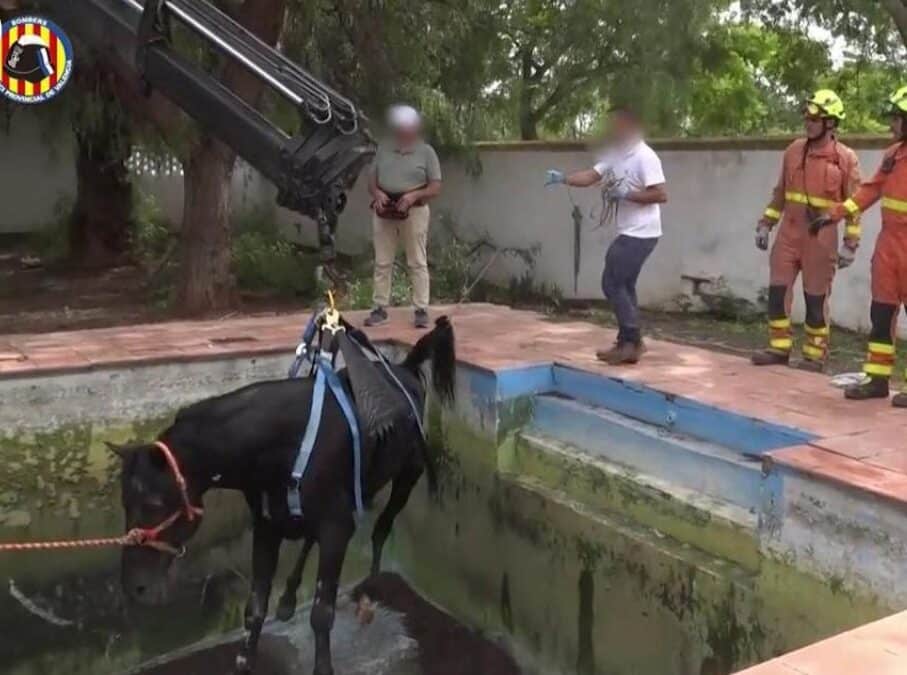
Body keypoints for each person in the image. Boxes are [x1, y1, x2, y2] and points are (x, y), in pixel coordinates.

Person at [545, 106, 667, 365]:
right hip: (629, 231)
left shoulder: (645, 156)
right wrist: (563, 178)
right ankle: (630, 343)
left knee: (611, 282)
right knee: (624, 285)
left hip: (643, 232)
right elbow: (591, 176)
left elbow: (660, 194)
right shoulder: (616, 155)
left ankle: (631, 340)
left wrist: (626, 195)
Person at [751, 89, 862, 372]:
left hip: (820, 238)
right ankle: (779, 348)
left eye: (815, 117)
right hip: (788, 234)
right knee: (777, 293)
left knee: (815, 299)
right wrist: (766, 223)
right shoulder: (793, 151)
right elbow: (780, 194)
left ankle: (814, 355)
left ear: (830, 123)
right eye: (807, 116)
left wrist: (851, 243)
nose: (808, 122)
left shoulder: (845, 159)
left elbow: (854, 205)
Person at [822, 86, 907, 405]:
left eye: (898, 118)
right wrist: (834, 214)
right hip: (889, 246)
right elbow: (870, 191)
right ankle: (878, 379)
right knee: (881, 312)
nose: (892, 124)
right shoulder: (894, 155)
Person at [364, 104, 442, 329]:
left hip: (414, 210)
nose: (403, 132)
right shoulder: (384, 149)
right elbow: (372, 180)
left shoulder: (426, 152)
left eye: (407, 128)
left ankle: (421, 309)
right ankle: (380, 308)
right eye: (400, 128)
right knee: (382, 261)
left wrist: (413, 195)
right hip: (384, 209)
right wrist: (377, 193)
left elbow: (436, 186)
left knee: (417, 260)